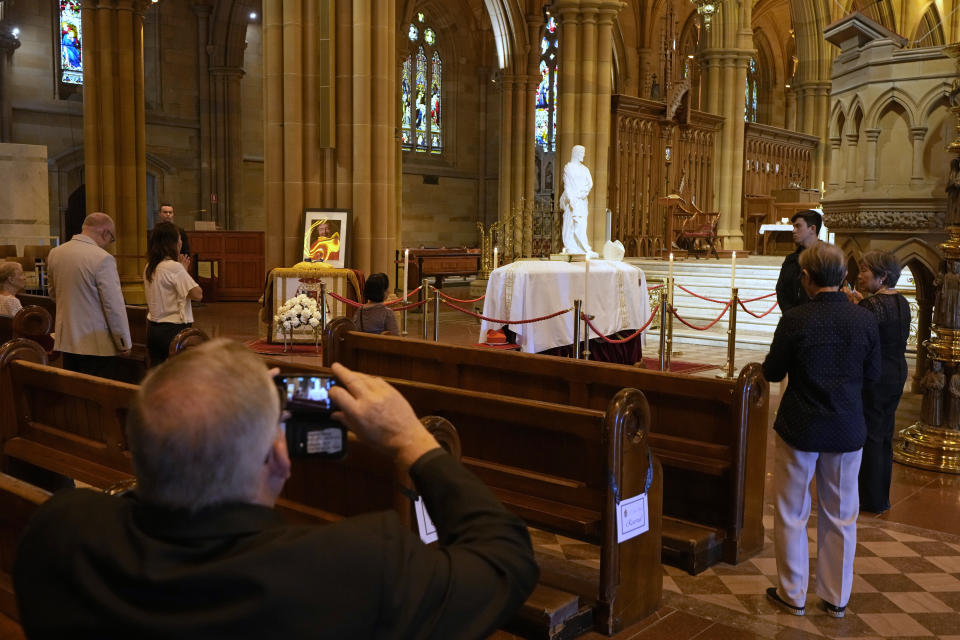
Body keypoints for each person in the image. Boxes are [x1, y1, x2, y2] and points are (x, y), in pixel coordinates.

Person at [14, 339, 539, 638]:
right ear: (279, 458)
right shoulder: (354, 568)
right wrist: (411, 440)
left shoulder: (59, 532)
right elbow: (505, 560)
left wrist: (217, 402)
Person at [762, 242, 880, 619]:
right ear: (844, 276)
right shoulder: (864, 320)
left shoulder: (796, 319)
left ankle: (792, 592)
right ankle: (836, 597)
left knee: (792, 511)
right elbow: (874, 377)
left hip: (801, 426)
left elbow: (772, 372)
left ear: (807, 278)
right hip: (846, 428)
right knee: (842, 515)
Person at [845, 250, 910, 514]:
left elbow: (860, 340)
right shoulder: (902, 301)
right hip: (897, 371)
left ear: (882, 276)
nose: (859, 276)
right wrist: (862, 305)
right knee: (884, 434)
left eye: (865, 271)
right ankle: (881, 497)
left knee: (871, 434)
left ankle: (869, 499)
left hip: (876, 375)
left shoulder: (872, 306)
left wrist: (855, 308)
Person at [46, 212, 132, 379]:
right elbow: (113, 306)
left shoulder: (56, 253)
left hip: (67, 341)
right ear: (105, 233)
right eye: (111, 239)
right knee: (96, 397)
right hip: (96, 344)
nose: (109, 244)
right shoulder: (102, 258)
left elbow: (53, 294)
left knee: (74, 394)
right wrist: (123, 342)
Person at [144, 222, 202, 366]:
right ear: (172, 242)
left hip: (153, 328)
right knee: (178, 373)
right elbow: (197, 294)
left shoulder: (149, 266)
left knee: (158, 372)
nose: (181, 242)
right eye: (179, 238)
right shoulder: (174, 267)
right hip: (173, 330)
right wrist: (183, 270)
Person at [775, 209, 822, 313]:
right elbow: (781, 289)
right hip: (792, 318)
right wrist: (791, 313)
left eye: (798, 226)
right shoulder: (791, 259)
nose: (793, 230)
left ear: (812, 228)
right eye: (794, 227)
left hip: (817, 319)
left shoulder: (827, 257)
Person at [559, 144, 597, 258]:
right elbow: (567, 185)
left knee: (581, 224)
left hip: (581, 200)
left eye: (584, 153)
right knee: (570, 223)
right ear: (575, 154)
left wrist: (582, 193)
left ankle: (583, 247)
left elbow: (589, 183)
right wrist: (571, 199)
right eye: (581, 153)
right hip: (572, 201)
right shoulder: (568, 167)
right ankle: (570, 246)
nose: (583, 156)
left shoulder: (585, 169)